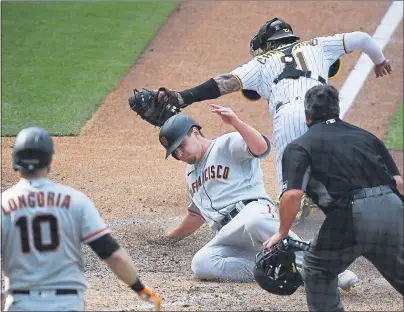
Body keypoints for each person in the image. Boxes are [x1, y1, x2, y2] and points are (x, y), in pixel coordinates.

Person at [152, 17, 392, 224]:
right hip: (323, 114)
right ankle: (364, 210)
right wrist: (380, 61)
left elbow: (222, 83)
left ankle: (289, 230)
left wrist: (184, 97)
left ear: (267, 44)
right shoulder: (318, 46)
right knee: (333, 165)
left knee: (289, 182)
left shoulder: (262, 62)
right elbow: (362, 38)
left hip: (287, 115)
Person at [155, 104, 358, 288]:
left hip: (254, 212)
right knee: (201, 263)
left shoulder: (226, 144)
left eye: (181, 145)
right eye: (174, 152)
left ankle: (325, 269)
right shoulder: (191, 175)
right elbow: (196, 215)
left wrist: (236, 122)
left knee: (254, 220)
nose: (179, 155)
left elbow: (261, 148)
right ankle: (278, 270)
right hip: (228, 235)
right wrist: (169, 239)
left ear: (195, 132)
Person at [264, 84, 403, 311]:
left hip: (353, 215)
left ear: (307, 116)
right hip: (393, 208)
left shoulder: (299, 147)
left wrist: (282, 231)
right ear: (337, 110)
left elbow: (292, 195)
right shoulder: (367, 137)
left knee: (317, 267)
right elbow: (398, 184)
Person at [1, 127, 161, 311]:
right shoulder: (75, 200)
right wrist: (140, 289)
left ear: (15, 160)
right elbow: (114, 256)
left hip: (21, 303)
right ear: (49, 159)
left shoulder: (3, 203)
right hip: (67, 303)